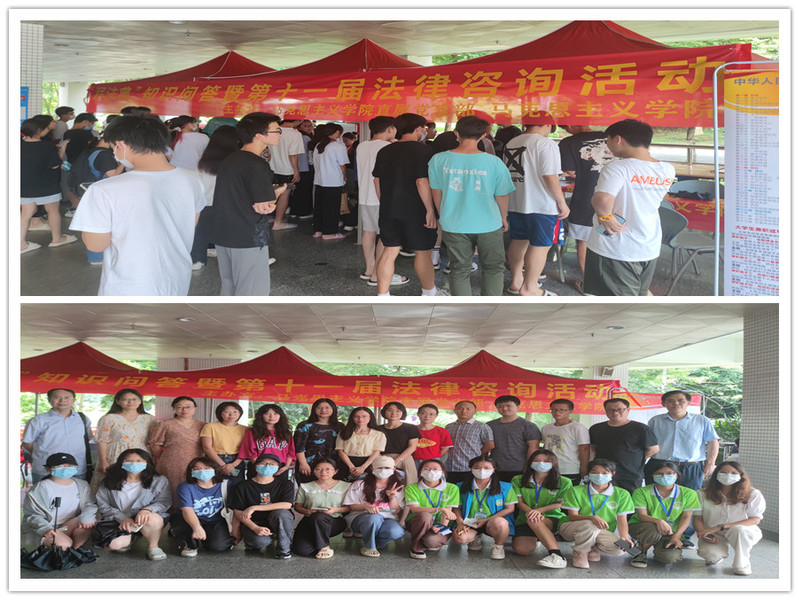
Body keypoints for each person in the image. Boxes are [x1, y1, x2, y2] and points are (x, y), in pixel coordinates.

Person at [70, 115, 205, 296]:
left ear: (122, 145)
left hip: (129, 284)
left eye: (114, 148)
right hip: (177, 277)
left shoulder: (103, 190)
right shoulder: (193, 180)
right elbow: (189, 224)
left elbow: (96, 245)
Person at [584, 119, 676, 296]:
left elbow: (602, 199)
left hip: (616, 247)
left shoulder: (618, 168)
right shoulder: (667, 169)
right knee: (639, 296)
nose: (608, 145)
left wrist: (605, 217)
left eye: (608, 140)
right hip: (648, 243)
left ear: (618, 139)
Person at [428, 115, 514, 296]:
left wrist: (443, 214)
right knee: (493, 268)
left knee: (459, 268)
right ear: (483, 135)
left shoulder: (438, 160)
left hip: (454, 222)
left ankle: (463, 309)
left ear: (456, 133)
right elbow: (501, 195)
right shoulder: (494, 162)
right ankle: (489, 307)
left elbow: (436, 192)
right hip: (489, 223)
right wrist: (503, 218)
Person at [209, 112, 287, 295]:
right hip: (247, 234)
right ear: (259, 135)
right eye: (277, 130)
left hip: (224, 232)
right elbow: (264, 205)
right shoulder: (256, 163)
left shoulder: (231, 158)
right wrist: (276, 193)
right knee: (251, 289)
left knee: (229, 285)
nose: (280, 134)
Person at [372, 112, 441, 296]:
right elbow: (422, 182)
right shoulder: (424, 151)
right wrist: (430, 210)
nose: (424, 132)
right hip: (417, 211)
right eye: (424, 128)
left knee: (389, 251)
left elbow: (377, 180)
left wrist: (385, 202)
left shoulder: (385, 150)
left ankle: (383, 295)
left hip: (389, 209)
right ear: (418, 129)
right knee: (423, 252)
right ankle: (429, 293)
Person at [501, 111, 569, 296]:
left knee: (519, 240)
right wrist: (562, 202)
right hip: (541, 203)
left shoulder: (512, 142)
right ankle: (530, 288)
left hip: (516, 201)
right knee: (541, 244)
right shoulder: (545, 144)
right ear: (547, 125)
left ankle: (516, 282)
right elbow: (550, 176)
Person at [557, 124, 617, 292]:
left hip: (586, 197)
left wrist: (587, 174)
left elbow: (569, 171)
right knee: (615, 238)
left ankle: (589, 284)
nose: (566, 130)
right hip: (616, 199)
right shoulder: (613, 138)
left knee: (584, 241)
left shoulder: (568, 143)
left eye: (565, 126)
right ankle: (614, 280)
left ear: (571, 124)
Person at [356, 115, 408, 287]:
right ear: (390, 129)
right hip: (383, 197)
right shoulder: (389, 147)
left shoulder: (362, 145)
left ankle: (369, 269)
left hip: (365, 196)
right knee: (386, 236)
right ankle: (378, 275)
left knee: (369, 232)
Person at [94, 448, 171, 561]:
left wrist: (147, 509)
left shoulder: (159, 480)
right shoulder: (110, 481)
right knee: (114, 545)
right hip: (120, 521)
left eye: (139, 461)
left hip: (147, 518)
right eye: (129, 461)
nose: (134, 464)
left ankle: (153, 546)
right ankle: (131, 537)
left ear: (147, 463)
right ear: (121, 463)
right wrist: (122, 518)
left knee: (152, 519)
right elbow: (103, 505)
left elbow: (163, 501)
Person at [559, 458, 635, 569]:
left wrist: (624, 537)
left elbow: (622, 519)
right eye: (595, 472)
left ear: (613, 474)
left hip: (601, 530)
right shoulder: (576, 490)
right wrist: (592, 518)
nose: (599, 476)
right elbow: (572, 516)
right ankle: (580, 552)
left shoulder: (622, 494)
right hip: (572, 527)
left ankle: (592, 548)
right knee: (590, 524)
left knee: (621, 549)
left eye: (604, 473)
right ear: (589, 474)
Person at [694, 461, 765, 576]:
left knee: (738, 530)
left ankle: (742, 563)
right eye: (724, 472)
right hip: (714, 533)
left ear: (741, 476)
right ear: (716, 474)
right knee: (711, 557)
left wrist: (721, 527)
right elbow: (697, 517)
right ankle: (718, 555)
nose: (728, 475)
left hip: (742, 531)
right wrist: (702, 532)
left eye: (733, 473)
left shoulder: (753, 494)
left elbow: (755, 519)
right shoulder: (702, 493)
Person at [627, 461, 700, 568]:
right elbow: (642, 516)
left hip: (670, 532)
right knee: (653, 529)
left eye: (669, 473)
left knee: (669, 558)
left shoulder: (689, 493)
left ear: (677, 475)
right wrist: (658, 521)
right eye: (659, 474)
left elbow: (686, 517)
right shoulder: (641, 492)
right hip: (644, 527)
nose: (664, 476)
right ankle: (640, 553)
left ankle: (651, 549)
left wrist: (676, 536)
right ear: (653, 475)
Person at [20, 118, 77, 254]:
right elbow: (55, 165)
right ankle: (57, 238)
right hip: (46, 184)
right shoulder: (46, 145)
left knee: (26, 213)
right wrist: (62, 150)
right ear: (39, 130)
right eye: (46, 128)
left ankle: (21, 244)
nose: (48, 130)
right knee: (53, 210)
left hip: (24, 184)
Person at [646, 390, 720, 490]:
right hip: (660, 466)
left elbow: (713, 442)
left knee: (690, 496)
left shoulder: (702, 421)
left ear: (688, 403)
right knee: (655, 495)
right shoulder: (655, 421)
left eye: (681, 400)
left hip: (691, 467)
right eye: (671, 401)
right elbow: (648, 443)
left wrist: (710, 464)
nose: (676, 403)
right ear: (663, 404)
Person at [22, 452, 97, 551]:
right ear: (48, 469)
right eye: (59, 466)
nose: (65, 468)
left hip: (69, 525)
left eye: (69, 466)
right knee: (64, 544)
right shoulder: (40, 488)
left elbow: (89, 504)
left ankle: (76, 549)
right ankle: (67, 546)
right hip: (48, 528)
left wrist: (87, 517)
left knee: (90, 520)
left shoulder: (82, 485)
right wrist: (46, 529)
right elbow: (33, 515)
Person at [510, 449, 571, 568]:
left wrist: (539, 511)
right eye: (536, 460)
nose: (541, 463)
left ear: (553, 463)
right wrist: (531, 512)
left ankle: (557, 556)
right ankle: (539, 536)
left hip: (552, 517)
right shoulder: (518, 480)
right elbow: (519, 503)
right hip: (525, 517)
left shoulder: (564, 482)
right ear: (530, 462)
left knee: (534, 520)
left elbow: (560, 503)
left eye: (546, 461)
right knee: (521, 550)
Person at [191, 125, 240, 270]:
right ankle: (240, 258)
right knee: (235, 231)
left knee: (200, 230)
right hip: (229, 203)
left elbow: (197, 182)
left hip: (206, 201)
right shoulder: (236, 159)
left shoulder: (203, 159)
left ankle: (197, 260)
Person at [227, 453, 295, 558]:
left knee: (282, 513)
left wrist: (254, 507)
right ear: (255, 466)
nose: (267, 466)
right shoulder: (243, 486)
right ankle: (273, 536)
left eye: (272, 464)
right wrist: (255, 528)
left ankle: (284, 549)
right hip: (255, 522)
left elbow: (287, 504)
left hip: (277, 520)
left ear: (278, 468)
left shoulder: (285, 483)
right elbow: (238, 511)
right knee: (258, 542)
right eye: (263, 463)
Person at [22, 388, 93, 483]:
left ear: (73, 400)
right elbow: (27, 443)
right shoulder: (38, 420)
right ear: (49, 400)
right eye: (57, 397)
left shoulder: (82, 419)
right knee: (44, 492)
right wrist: (43, 454)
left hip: (76, 468)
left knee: (78, 492)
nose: (62, 401)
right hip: (46, 470)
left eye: (67, 397)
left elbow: (88, 439)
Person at [451, 456, 517, 560]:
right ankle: (475, 537)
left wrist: (486, 520)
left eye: (487, 468)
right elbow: (456, 508)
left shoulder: (506, 487)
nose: (482, 471)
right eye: (477, 468)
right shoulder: (460, 486)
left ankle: (498, 546)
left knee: (501, 523)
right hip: (470, 522)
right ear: (471, 469)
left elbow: (510, 508)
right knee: (459, 537)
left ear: (493, 470)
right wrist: (460, 522)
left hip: (492, 521)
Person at [589, 398, 659, 494]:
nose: (615, 412)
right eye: (610, 410)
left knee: (629, 500)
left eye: (620, 409)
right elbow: (593, 448)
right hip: (603, 475)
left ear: (628, 410)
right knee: (603, 499)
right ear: (605, 411)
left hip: (630, 474)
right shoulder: (596, 428)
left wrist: (635, 458)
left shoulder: (640, 428)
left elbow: (653, 449)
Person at [92, 388, 158, 490]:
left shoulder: (150, 419)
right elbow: (102, 441)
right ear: (118, 401)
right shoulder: (109, 418)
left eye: (134, 399)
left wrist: (154, 459)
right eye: (125, 399)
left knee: (139, 483)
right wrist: (103, 460)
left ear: (140, 401)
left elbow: (153, 441)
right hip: (115, 455)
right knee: (113, 483)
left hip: (140, 456)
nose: (130, 402)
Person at [170, 456, 235, 557]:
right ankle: (189, 544)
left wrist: (236, 530)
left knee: (217, 546)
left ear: (215, 469)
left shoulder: (226, 485)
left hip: (215, 520)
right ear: (191, 472)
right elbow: (187, 510)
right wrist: (196, 527)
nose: (202, 472)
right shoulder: (185, 487)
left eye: (207, 468)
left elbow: (234, 509)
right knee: (184, 526)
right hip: (189, 519)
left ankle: (207, 537)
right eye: (197, 469)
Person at [342, 456, 406, 558]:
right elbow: (351, 505)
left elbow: (395, 511)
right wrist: (366, 507)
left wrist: (392, 497)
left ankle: (377, 544)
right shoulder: (359, 484)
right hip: (361, 518)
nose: (383, 471)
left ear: (394, 469)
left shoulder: (397, 487)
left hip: (386, 519)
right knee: (374, 518)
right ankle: (369, 546)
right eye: (379, 467)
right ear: (372, 468)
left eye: (387, 468)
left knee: (396, 531)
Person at [148, 396, 206, 509]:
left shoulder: (203, 425)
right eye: (179, 407)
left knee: (194, 487)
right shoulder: (166, 424)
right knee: (171, 488)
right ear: (174, 409)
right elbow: (154, 443)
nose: (184, 410)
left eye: (188, 407)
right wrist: (163, 457)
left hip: (195, 463)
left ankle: (191, 514)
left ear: (195, 408)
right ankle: (170, 514)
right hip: (171, 463)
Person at [292, 459, 351, 558]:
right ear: (313, 471)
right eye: (318, 469)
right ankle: (318, 541)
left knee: (319, 517)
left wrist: (335, 510)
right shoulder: (305, 486)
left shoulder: (345, 486)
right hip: (310, 521)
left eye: (328, 469)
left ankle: (324, 547)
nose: (323, 472)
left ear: (335, 471)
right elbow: (298, 506)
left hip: (335, 521)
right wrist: (307, 511)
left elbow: (350, 507)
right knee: (301, 550)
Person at [404, 459, 459, 559]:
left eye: (435, 469)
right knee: (425, 515)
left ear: (442, 472)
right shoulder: (411, 488)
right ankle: (416, 548)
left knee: (432, 542)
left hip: (441, 523)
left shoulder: (452, 488)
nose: (431, 472)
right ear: (420, 472)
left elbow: (447, 512)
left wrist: (441, 527)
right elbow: (415, 509)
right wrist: (440, 509)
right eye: (427, 469)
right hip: (419, 522)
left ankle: (428, 540)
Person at [487, 395, 541, 482]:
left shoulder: (528, 426)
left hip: (519, 468)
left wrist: (528, 467)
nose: (504, 408)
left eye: (508, 406)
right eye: (500, 406)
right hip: (494, 468)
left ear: (518, 407)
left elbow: (533, 448)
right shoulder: (490, 425)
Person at [310, 123, 349, 240]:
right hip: (333, 181)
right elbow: (342, 165)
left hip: (319, 180)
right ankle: (329, 233)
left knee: (319, 207)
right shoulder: (338, 146)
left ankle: (318, 230)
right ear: (336, 132)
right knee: (331, 208)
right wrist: (345, 176)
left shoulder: (319, 145)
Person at [266, 114, 305, 231]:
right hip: (287, 170)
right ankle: (278, 222)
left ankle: (269, 217)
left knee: (271, 193)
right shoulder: (295, 134)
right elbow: (293, 155)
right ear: (297, 120)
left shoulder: (272, 130)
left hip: (271, 168)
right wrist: (296, 171)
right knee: (284, 194)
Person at [293, 398, 344, 484]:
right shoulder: (305, 425)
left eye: (327, 407)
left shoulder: (340, 426)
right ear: (314, 409)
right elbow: (298, 447)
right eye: (319, 407)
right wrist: (303, 463)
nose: (323, 410)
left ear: (333, 409)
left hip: (333, 465)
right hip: (309, 465)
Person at [541, 398, 590, 485]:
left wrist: (584, 469)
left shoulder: (578, 428)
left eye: (562, 410)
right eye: (554, 410)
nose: (557, 412)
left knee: (568, 492)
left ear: (570, 411)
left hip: (569, 469)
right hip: (549, 468)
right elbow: (545, 446)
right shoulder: (546, 428)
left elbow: (584, 449)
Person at [444, 400, 495, 484]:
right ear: (455, 411)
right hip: (450, 466)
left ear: (475, 411)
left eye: (468, 409)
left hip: (470, 467)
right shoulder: (449, 426)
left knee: (467, 489)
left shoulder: (482, 426)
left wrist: (478, 455)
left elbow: (490, 445)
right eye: (460, 408)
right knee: (452, 489)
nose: (464, 411)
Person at [237, 404, 296, 476]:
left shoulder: (286, 433)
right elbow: (250, 452)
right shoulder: (252, 432)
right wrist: (262, 468)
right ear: (261, 415)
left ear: (280, 415)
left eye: (275, 414)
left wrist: (286, 466)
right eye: (267, 414)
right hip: (258, 467)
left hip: (280, 468)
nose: (272, 416)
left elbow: (291, 451)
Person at [199, 401, 248, 486]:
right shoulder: (210, 426)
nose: (231, 414)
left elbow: (245, 449)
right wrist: (223, 465)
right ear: (220, 413)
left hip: (237, 461)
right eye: (227, 412)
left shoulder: (245, 429)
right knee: (214, 485)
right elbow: (207, 448)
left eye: (235, 412)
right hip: (215, 460)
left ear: (240, 413)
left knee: (237, 485)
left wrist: (233, 465)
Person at [335, 407, 387, 482]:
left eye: (364, 416)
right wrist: (351, 467)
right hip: (346, 463)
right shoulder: (344, 432)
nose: (360, 419)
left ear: (370, 418)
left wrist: (363, 467)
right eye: (357, 416)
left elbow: (377, 452)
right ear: (352, 418)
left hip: (369, 463)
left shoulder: (379, 434)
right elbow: (340, 451)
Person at [377, 401, 421, 484]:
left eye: (398, 411)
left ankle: (410, 492)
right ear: (384, 412)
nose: (394, 413)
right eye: (390, 410)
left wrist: (397, 460)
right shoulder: (378, 429)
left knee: (410, 481)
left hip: (404, 458)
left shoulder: (411, 428)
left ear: (402, 413)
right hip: (382, 457)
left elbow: (412, 447)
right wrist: (383, 460)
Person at [412, 403, 453, 468]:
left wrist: (435, 458)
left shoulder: (442, 431)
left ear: (436, 416)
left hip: (434, 461)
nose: (427, 416)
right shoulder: (410, 430)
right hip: (413, 460)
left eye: (431, 414)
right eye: (424, 413)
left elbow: (445, 448)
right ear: (418, 414)